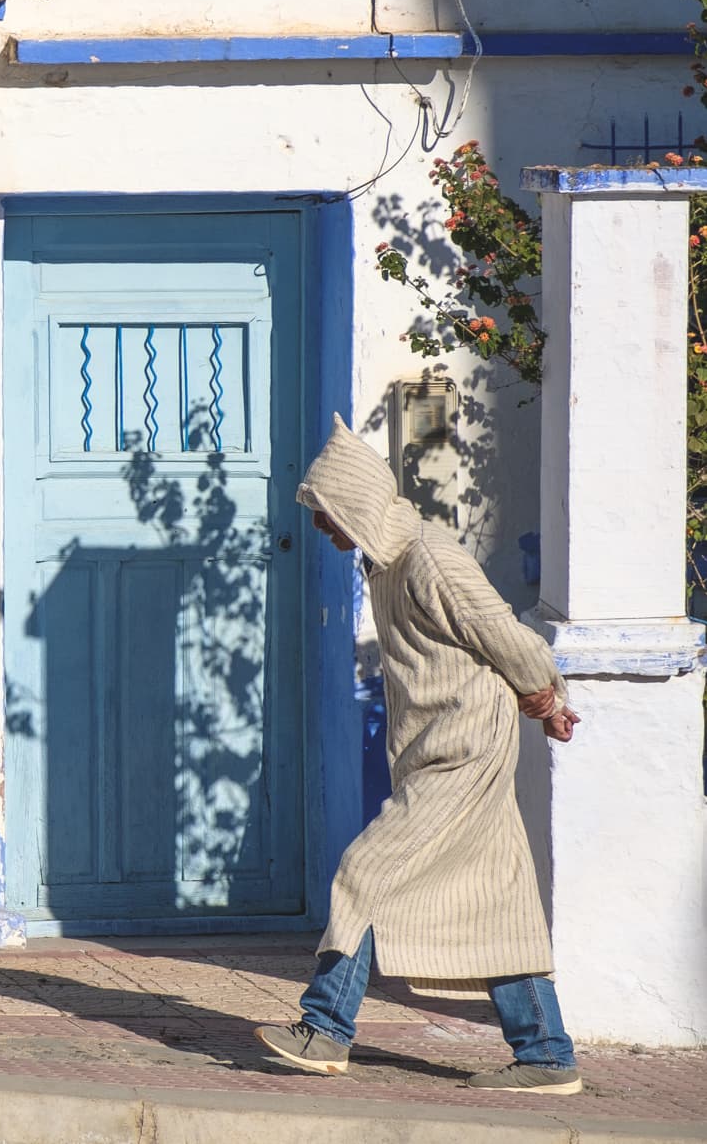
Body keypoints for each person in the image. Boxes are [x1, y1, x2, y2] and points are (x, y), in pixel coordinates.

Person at [254, 415, 583, 1094]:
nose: (321, 526)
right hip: (439, 748)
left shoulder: (431, 559)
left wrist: (545, 698)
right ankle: (546, 1052)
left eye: (327, 511)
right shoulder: (388, 562)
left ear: (360, 505)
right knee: (498, 895)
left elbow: (505, 634)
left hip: (463, 751)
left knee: (363, 869)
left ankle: (324, 1027)